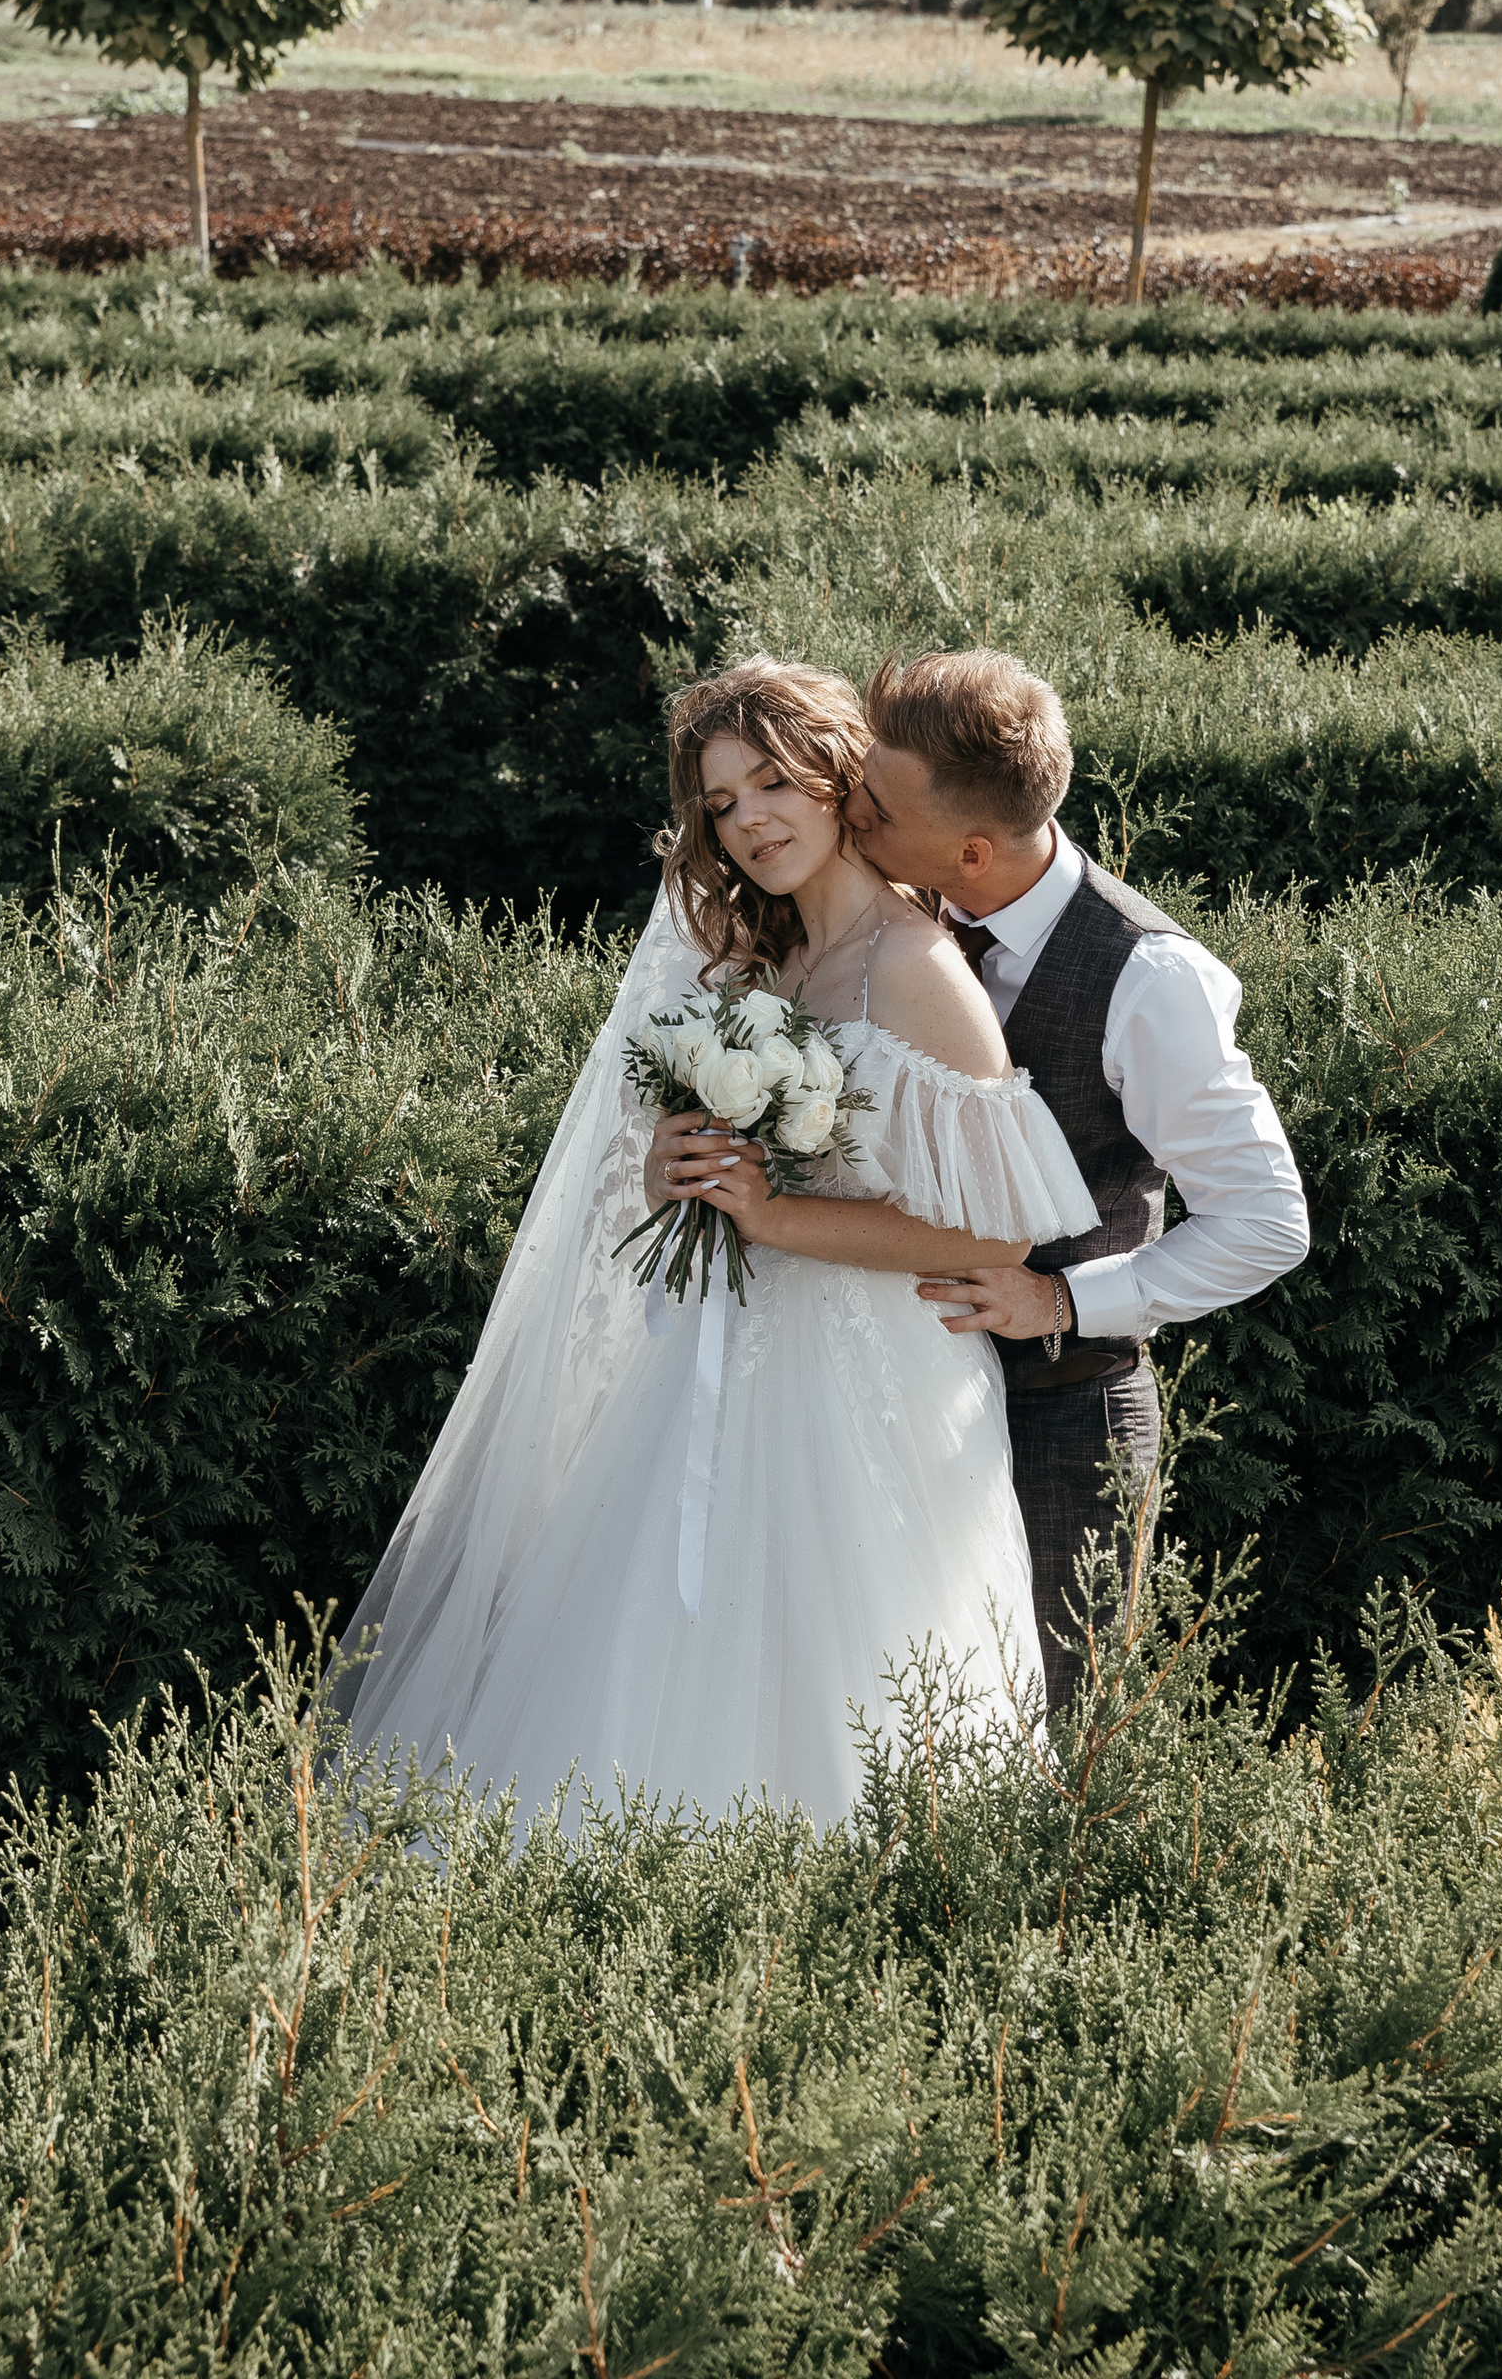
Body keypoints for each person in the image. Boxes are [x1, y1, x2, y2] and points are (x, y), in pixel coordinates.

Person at [323, 656, 1095, 1831]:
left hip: (871, 1380)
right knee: (652, 1653)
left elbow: (991, 1229)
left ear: (841, 779)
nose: (747, 824)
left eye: (772, 785)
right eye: (722, 805)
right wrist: (672, 1167)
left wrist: (774, 1215)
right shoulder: (756, 961)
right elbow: (686, 1148)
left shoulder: (914, 966)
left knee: (846, 1670)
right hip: (714, 1359)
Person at [847, 647, 1310, 1710]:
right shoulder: (897, 921)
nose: (850, 813)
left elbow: (1266, 1221)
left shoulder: (1149, 978)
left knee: (1047, 1738)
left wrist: (1061, 1298)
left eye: (874, 804)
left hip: (1061, 1429)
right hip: (889, 1412)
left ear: (967, 848)